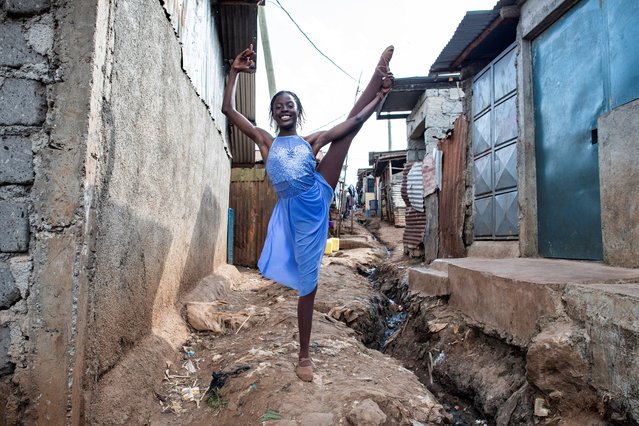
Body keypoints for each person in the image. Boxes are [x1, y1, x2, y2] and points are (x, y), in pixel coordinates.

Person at [222, 43, 393, 382]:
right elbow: (228, 109)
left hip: (318, 190)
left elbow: (354, 121)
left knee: (346, 134)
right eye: (278, 106)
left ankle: (378, 75)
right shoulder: (264, 140)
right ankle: (303, 350)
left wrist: (381, 98)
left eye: (290, 105)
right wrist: (234, 72)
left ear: (298, 112)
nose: (284, 109)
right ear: (273, 115)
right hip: (296, 214)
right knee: (306, 285)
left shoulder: (310, 142)